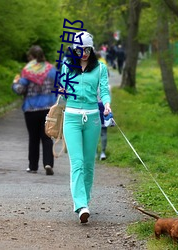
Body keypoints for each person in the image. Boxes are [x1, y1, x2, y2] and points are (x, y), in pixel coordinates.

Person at [60, 32, 111, 223]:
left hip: (92, 119)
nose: (84, 53)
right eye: (80, 49)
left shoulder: (100, 68)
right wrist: (63, 90)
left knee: (89, 164)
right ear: (74, 49)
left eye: (88, 49)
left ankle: (86, 201)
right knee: (78, 162)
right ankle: (81, 205)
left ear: (92, 49)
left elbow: (104, 90)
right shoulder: (66, 66)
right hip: (72, 118)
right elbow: (63, 93)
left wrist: (107, 104)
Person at [12, 45, 57, 175]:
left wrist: (15, 83)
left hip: (31, 109)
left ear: (31, 57)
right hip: (49, 108)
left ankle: (33, 166)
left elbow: (20, 90)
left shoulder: (27, 72)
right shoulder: (52, 69)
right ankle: (48, 163)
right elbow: (60, 86)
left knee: (34, 138)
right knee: (47, 136)